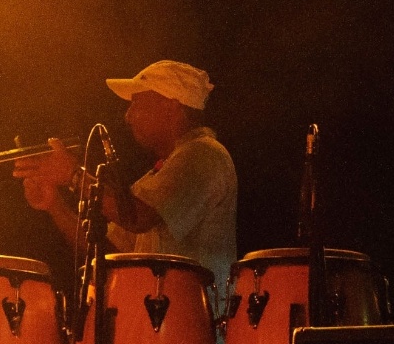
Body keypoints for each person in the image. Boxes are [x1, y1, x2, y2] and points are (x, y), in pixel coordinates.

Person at [14, 59, 237, 296]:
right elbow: (107, 252)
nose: (128, 116)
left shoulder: (204, 153)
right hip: (155, 313)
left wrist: (73, 175)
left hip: (192, 316)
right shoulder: (159, 176)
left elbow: (139, 218)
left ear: (171, 106)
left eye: (136, 103)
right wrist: (54, 205)